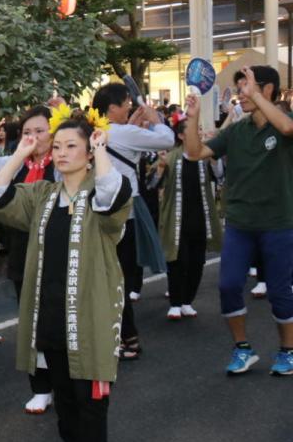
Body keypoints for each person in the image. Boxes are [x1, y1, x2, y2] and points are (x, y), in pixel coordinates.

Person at [0, 118, 132, 442]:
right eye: (59, 146)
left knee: (90, 390)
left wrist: (102, 151)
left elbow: (111, 197)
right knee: (64, 392)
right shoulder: (43, 195)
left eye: (72, 146)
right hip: (49, 308)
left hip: (91, 309)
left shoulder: (103, 188)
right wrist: (19, 152)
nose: (62, 153)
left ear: (87, 152)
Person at [183, 66, 293, 376]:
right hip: (239, 223)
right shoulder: (236, 131)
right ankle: (242, 349)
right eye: (240, 86)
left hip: (278, 222)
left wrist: (256, 94)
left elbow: (286, 128)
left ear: (267, 89)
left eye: (246, 85)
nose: (240, 93)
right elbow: (194, 152)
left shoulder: (284, 124)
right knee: (229, 284)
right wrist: (192, 119)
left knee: (280, 291)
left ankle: (288, 351)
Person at [0, 101, 59, 414]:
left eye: (40, 130)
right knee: (32, 319)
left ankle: (68, 381)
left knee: (62, 318)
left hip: (59, 251)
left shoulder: (66, 162)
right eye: (27, 131)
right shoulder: (16, 163)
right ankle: (41, 387)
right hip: (24, 251)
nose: (33, 137)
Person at [90, 82, 174, 361]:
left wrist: (136, 122)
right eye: (125, 103)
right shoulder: (123, 132)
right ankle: (129, 338)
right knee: (119, 278)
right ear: (112, 108)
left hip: (100, 212)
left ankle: (121, 336)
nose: (129, 107)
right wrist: (155, 120)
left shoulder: (98, 131)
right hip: (126, 213)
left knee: (108, 277)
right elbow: (166, 140)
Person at [157, 120, 222, 320]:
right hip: (176, 219)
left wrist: (213, 158)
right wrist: (159, 168)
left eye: (199, 129)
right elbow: (152, 184)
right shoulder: (170, 157)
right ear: (182, 136)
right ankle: (175, 303)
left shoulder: (204, 156)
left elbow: (219, 175)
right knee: (177, 260)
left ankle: (187, 302)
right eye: (195, 129)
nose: (199, 132)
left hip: (201, 218)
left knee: (196, 261)